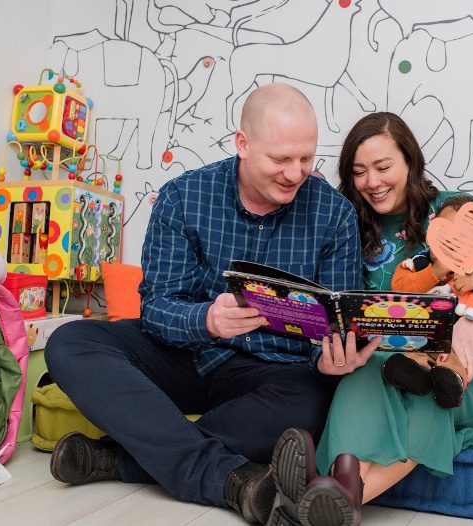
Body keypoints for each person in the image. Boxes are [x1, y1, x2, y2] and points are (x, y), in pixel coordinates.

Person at [43, 83, 379, 525]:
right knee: (70, 342)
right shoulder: (184, 197)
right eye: (280, 159)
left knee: (311, 402)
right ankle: (232, 480)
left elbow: (331, 325)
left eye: (306, 158)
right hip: (183, 357)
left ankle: (119, 460)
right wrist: (207, 319)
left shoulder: (334, 215)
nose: (296, 174)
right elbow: (158, 308)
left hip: (272, 374)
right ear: (242, 144)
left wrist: (331, 359)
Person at [293, 112, 473, 518]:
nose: (373, 182)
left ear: (410, 163)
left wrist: (471, 330)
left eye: (383, 167)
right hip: (385, 365)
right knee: (369, 370)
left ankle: (316, 506)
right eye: (359, 172)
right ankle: (331, 505)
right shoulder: (350, 223)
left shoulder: (454, 213)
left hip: (460, 373)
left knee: (429, 391)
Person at [385, 194, 473, 409]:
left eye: (463, 238)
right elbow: (400, 289)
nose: (452, 244)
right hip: (425, 332)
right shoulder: (420, 263)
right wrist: (434, 271)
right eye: (444, 234)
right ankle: (415, 373)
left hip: (465, 341)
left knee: (468, 352)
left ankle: (451, 381)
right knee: (415, 348)